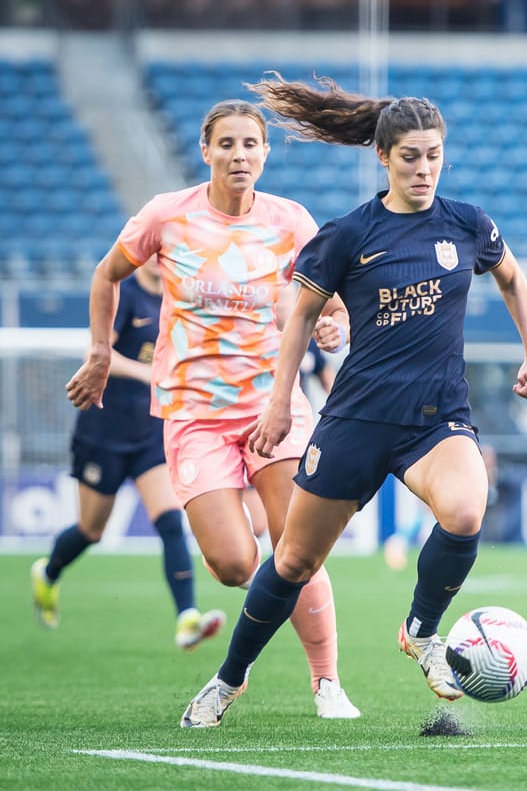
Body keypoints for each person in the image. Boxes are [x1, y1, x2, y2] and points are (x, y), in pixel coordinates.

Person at [178, 77, 527, 728]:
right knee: (293, 560)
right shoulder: (349, 234)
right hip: (355, 421)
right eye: (410, 156)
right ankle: (228, 679)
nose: (424, 168)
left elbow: (513, 278)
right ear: (383, 156)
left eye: (434, 154)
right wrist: (281, 402)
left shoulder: (468, 224)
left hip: (436, 419)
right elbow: (300, 319)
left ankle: (422, 630)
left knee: (466, 511)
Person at [65, 99, 361, 721]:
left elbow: (331, 299)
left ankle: (327, 682)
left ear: (264, 153)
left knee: (298, 548)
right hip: (193, 413)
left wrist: (335, 324)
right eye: (226, 144)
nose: (239, 155)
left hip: (271, 407)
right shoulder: (167, 217)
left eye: (250, 144)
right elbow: (105, 274)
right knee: (234, 565)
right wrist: (99, 353)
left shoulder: (291, 222)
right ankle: (254, 638)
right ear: (206, 150)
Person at [32, 257, 226, 650]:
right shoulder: (124, 295)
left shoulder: (176, 298)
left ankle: (186, 618)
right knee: (91, 530)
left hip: (150, 432)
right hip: (103, 431)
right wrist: (148, 375)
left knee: (171, 521)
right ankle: (49, 572)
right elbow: (100, 354)